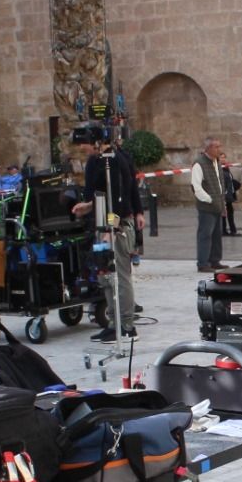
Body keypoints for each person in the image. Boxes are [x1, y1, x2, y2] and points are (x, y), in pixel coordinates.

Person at [74, 138, 146, 341]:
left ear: (97, 142)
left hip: (116, 226)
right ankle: (114, 323)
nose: (82, 147)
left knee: (120, 277)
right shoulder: (98, 161)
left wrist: (111, 227)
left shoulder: (114, 161)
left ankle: (127, 326)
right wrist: (88, 206)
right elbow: (103, 195)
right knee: (106, 276)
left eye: (84, 143)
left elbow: (119, 197)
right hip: (104, 223)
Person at [190, 137, 227, 272]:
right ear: (209, 148)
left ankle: (214, 260)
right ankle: (203, 263)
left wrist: (222, 204)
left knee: (217, 234)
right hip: (207, 206)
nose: (219, 149)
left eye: (219, 146)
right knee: (205, 234)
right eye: (217, 147)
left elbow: (219, 183)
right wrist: (210, 199)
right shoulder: (199, 164)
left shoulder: (216, 162)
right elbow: (196, 187)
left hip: (217, 204)